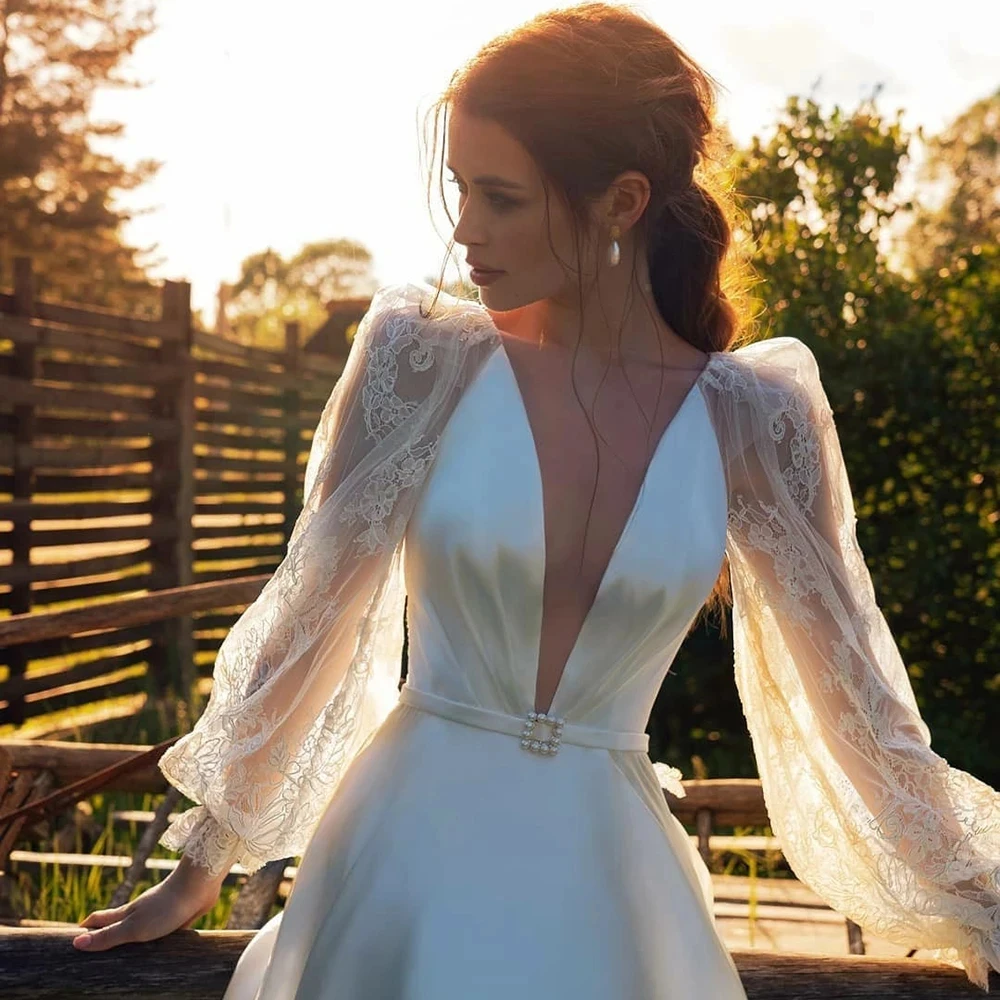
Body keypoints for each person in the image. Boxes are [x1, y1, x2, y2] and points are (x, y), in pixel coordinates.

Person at [72, 4, 1000, 997]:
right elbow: (310, 622)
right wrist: (200, 865)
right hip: (403, 862)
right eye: (458, 190)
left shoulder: (753, 418)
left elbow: (857, 703)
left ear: (622, 200)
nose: (463, 231)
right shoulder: (419, 359)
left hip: (613, 892)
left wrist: (974, 898)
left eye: (500, 197)